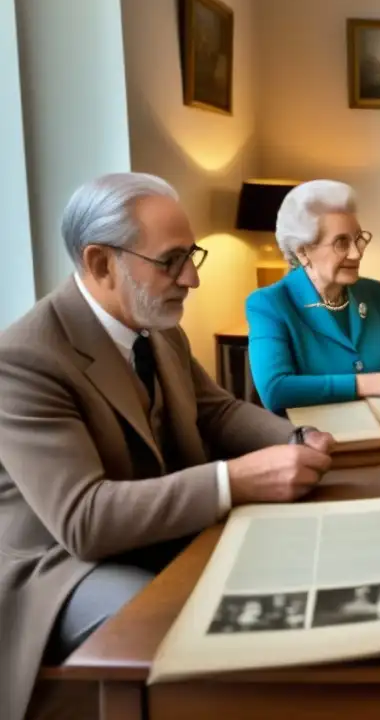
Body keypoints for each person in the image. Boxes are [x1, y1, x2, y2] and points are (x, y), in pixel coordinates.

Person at [0, 173, 336, 720]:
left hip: (154, 533)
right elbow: (83, 521)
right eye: (171, 260)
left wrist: (296, 437)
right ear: (101, 263)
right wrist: (237, 480)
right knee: (190, 627)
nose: (192, 280)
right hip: (59, 568)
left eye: (192, 255)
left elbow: (215, 410)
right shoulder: (22, 360)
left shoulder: (158, 325)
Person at [246, 180, 380, 413]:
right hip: (315, 438)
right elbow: (276, 391)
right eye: (341, 242)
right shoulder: (269, 304)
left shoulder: (375, 293)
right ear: (303, 251)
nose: (357, 252)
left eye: (359, 238)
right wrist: (367, 384)